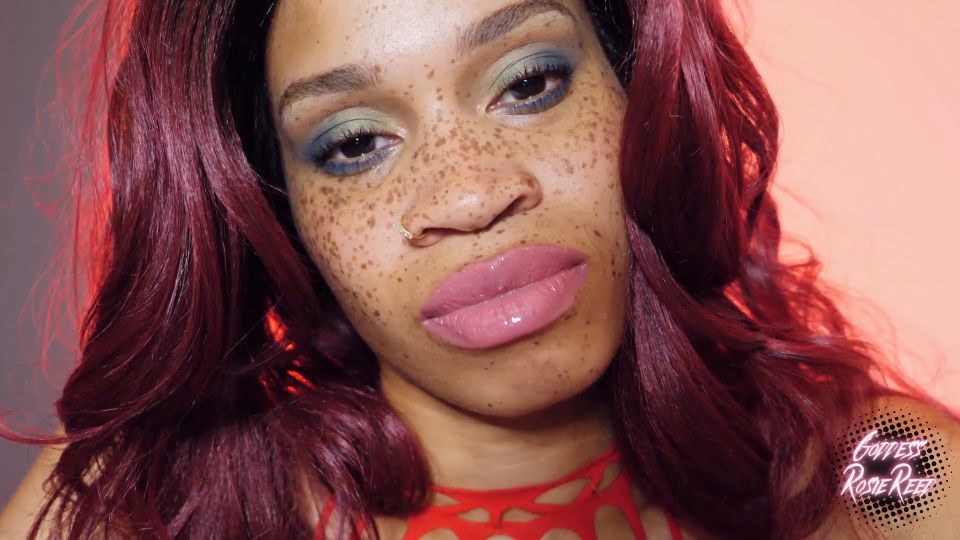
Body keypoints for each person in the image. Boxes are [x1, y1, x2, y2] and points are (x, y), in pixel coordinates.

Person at [2, 0, 959, 538]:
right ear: (279, 214)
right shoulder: (138, 511)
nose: (468, 196)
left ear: (644, 90)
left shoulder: (880, 475)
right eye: (353, 144)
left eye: (529, 83)